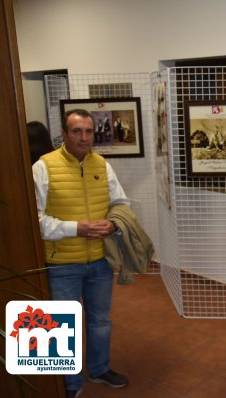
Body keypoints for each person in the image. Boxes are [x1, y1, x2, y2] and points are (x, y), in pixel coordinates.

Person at [32, 109, 130, 398]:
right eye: (77, 131)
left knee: (100, 321)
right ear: (64, 134)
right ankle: (71, 384)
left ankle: (99, 369)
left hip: (100, 261)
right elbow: (34, 220)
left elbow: (121, 203)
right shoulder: (43, 167)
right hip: (62, 263)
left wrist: (113, 223)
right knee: (62, 324)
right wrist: (77, 228)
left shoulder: (102, 164)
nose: (84, 137)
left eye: (89, 131)